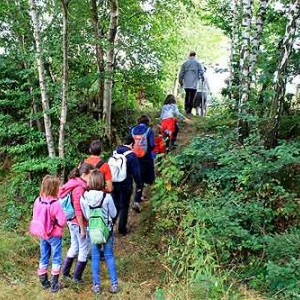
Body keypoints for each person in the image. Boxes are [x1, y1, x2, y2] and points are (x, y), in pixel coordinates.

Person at [80, 169, 119, 294]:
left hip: (93, 229)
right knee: (109, 256)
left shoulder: (83, 197)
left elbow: (86, 216)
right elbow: (113, 213)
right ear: (102, 181)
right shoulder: (106, 197)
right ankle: (114, 284)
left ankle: (96, 286)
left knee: (95, 257)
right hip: (106, 229)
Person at [31, 175, 67, 293]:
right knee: (56, 257)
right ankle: (54, 284)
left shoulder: (38, 200)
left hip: (42, 233)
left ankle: (44, 281)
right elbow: (62, 221)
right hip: (54, 234)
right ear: (54, 188)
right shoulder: (55, 204)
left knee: (44, 256)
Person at [60, 163, 94, 283]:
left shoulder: (73, 182)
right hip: (78, 223)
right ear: (84, 174)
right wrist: (82, 228)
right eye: (91, 175)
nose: (92, 178)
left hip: (71, 221)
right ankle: (77, 277)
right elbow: (78, 209)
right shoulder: (79, 188)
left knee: (74, 246)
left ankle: (65, 272)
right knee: (84, 249)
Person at [111, 136, 142, 235]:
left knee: (115, 205)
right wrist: (139, 185)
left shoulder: (115, 152)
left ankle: (109, 227)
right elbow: (136, 173)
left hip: (114, 183)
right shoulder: (131, 155)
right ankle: (122, 229)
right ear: (132, 144)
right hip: (126, 184)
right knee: (124, 206)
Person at [131, 114, 155, 212]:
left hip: (135, 158)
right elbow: (152, 145)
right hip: (146, 157)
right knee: (149, 178)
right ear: (147, 122)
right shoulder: (149, 130)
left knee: (139, 178)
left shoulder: (132, 130)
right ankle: (137, 201)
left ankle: (139, 196)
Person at [179, 51, 204, 115]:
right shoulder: (198, 63)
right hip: (194, 83)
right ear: (195, 56)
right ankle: (189, 111)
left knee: (187, 96)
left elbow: (181, 73)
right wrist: (202, 78)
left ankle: (186, 109)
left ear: (189, 55)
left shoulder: (185, 63)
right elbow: (201, 72)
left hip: (187, 83)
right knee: (192, 97)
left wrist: (180, 81)